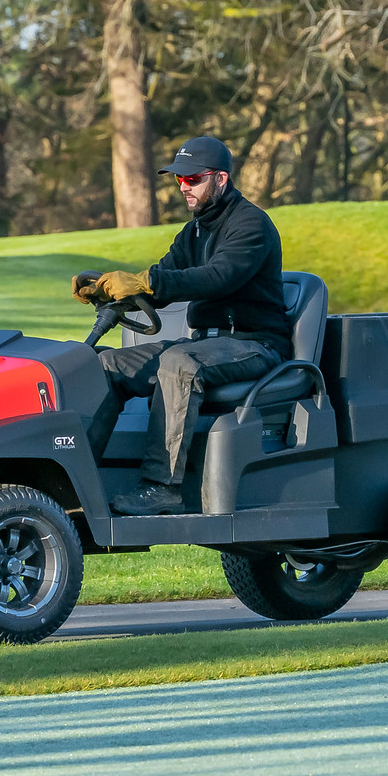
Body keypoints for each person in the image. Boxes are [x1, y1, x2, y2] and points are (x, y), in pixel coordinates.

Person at [74, 136, 289, 516]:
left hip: (254, 344)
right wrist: (106, 292)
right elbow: (164, 279)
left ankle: (161, 489)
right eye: (179, 180)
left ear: (221, 179)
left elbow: (217, 277)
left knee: (178, 363)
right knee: (105, 365)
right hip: (205, 344)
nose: (183, 187)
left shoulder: (251, 224)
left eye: (193, 179)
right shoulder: (193, 231)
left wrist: (146, 282)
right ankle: (75, 482)